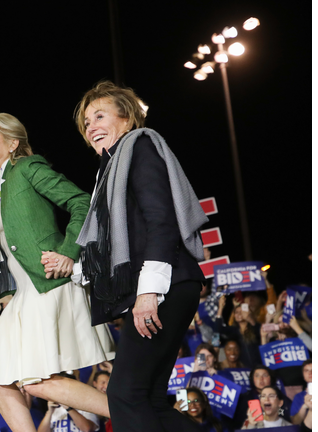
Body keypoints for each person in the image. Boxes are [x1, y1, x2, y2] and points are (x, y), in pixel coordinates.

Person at [0, 113, 114, 432]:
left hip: (47, 284)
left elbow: (81, 202)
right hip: (21, 297)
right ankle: (136, 413)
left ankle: (136, 414)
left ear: (13, 143)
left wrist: (68, 252)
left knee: (38, 383)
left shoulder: (27, 169)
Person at [74, 80, 208, 432]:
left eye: (99, 115)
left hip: (166, 283)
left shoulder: (141, 146)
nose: (91, 127)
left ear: (127, 118)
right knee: (145, 398)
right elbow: (119, 240)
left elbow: (160, 221)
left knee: (125, 394)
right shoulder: (110, 170)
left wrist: (149, 291)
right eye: (86, 123)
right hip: (171, 284)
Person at [290, 360, 312, 426]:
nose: (310, 373)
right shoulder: (299, 397)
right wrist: (305, 406)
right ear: (303, 374)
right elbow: (296, 422)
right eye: (306, 370)